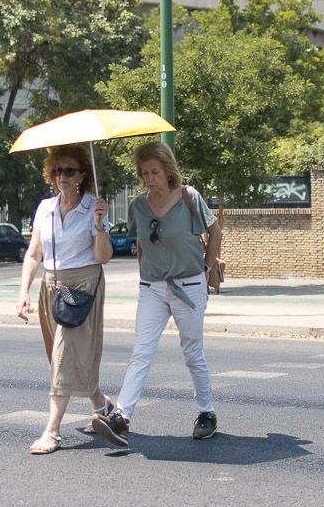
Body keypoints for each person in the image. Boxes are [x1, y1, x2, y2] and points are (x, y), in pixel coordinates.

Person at [93, 141, 222, 447]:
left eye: (154, 172)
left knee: (192, 352)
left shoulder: (189, 198)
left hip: (189, 285)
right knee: (141, 350)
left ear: (167, 171)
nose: (149, 178)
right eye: (144, 173)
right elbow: (140, 246)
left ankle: (207, 413)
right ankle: (122, 418)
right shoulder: (139, 205)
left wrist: (205, 270)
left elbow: (215, 233)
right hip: (151, 287)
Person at [17, 144, 114, 454]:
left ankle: (52, 431)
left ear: (82, 175)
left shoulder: (93, 207)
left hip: (83, 284)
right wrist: (24, 293)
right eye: (57, 170)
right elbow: (34, 254)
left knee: (63, 356)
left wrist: (99, 224)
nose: (62, 176)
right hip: (51, 285)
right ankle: (102, 404)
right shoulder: (45, 207)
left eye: (69, 171)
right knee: (59, 356)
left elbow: (104, 257)